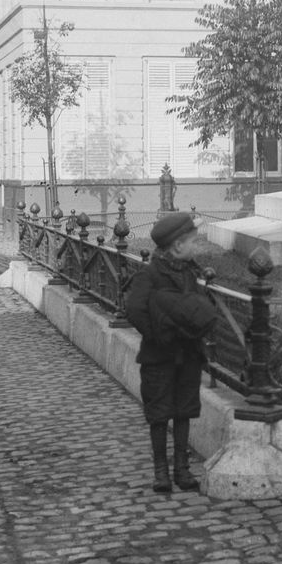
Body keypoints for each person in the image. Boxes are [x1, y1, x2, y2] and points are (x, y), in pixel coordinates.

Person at [122, 210, 220, 493]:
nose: (196, 247)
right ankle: (161, 472)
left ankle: (182, 469)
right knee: (159, 414)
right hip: (159, 357)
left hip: (188, 356)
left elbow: (199, 307)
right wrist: (160, 333)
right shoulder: (151, 274)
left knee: (184, 412)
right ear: (178, 246)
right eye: (193, 242)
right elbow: (136, 310)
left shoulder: (191, 272)